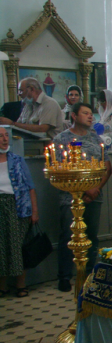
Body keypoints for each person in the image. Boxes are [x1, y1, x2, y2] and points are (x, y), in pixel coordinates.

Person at [53, 103, 112, 292]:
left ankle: (88, 274)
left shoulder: (96, 139)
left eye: (90, 113)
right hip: (70, 197)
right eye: (85, 113)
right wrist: (83, 189)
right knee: (68, 237)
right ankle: (64, 276)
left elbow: (107, 167)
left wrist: (96, 188)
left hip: (95, 195)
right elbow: (59, 170)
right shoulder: (61, 139)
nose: (90, 116)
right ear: (74, 115)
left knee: (91, 237)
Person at [0, 126, 38, 298]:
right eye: (1, 136)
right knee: (2, 247)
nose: (4, 139)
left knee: (17, 246)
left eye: (6, 135)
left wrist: (34, 211)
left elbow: (30, 187)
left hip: (18, 207)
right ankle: (3, 286)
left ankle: (20, 285)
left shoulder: (16, 160)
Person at [0, 78, 65, 139]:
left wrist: (12, 123)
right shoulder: (28, 105)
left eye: (21, 90)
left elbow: (42, 129)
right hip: (30, 144)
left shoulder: (49, 103)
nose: (18, 94)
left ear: (32, 89)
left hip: (48, 146)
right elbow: (19, 125)